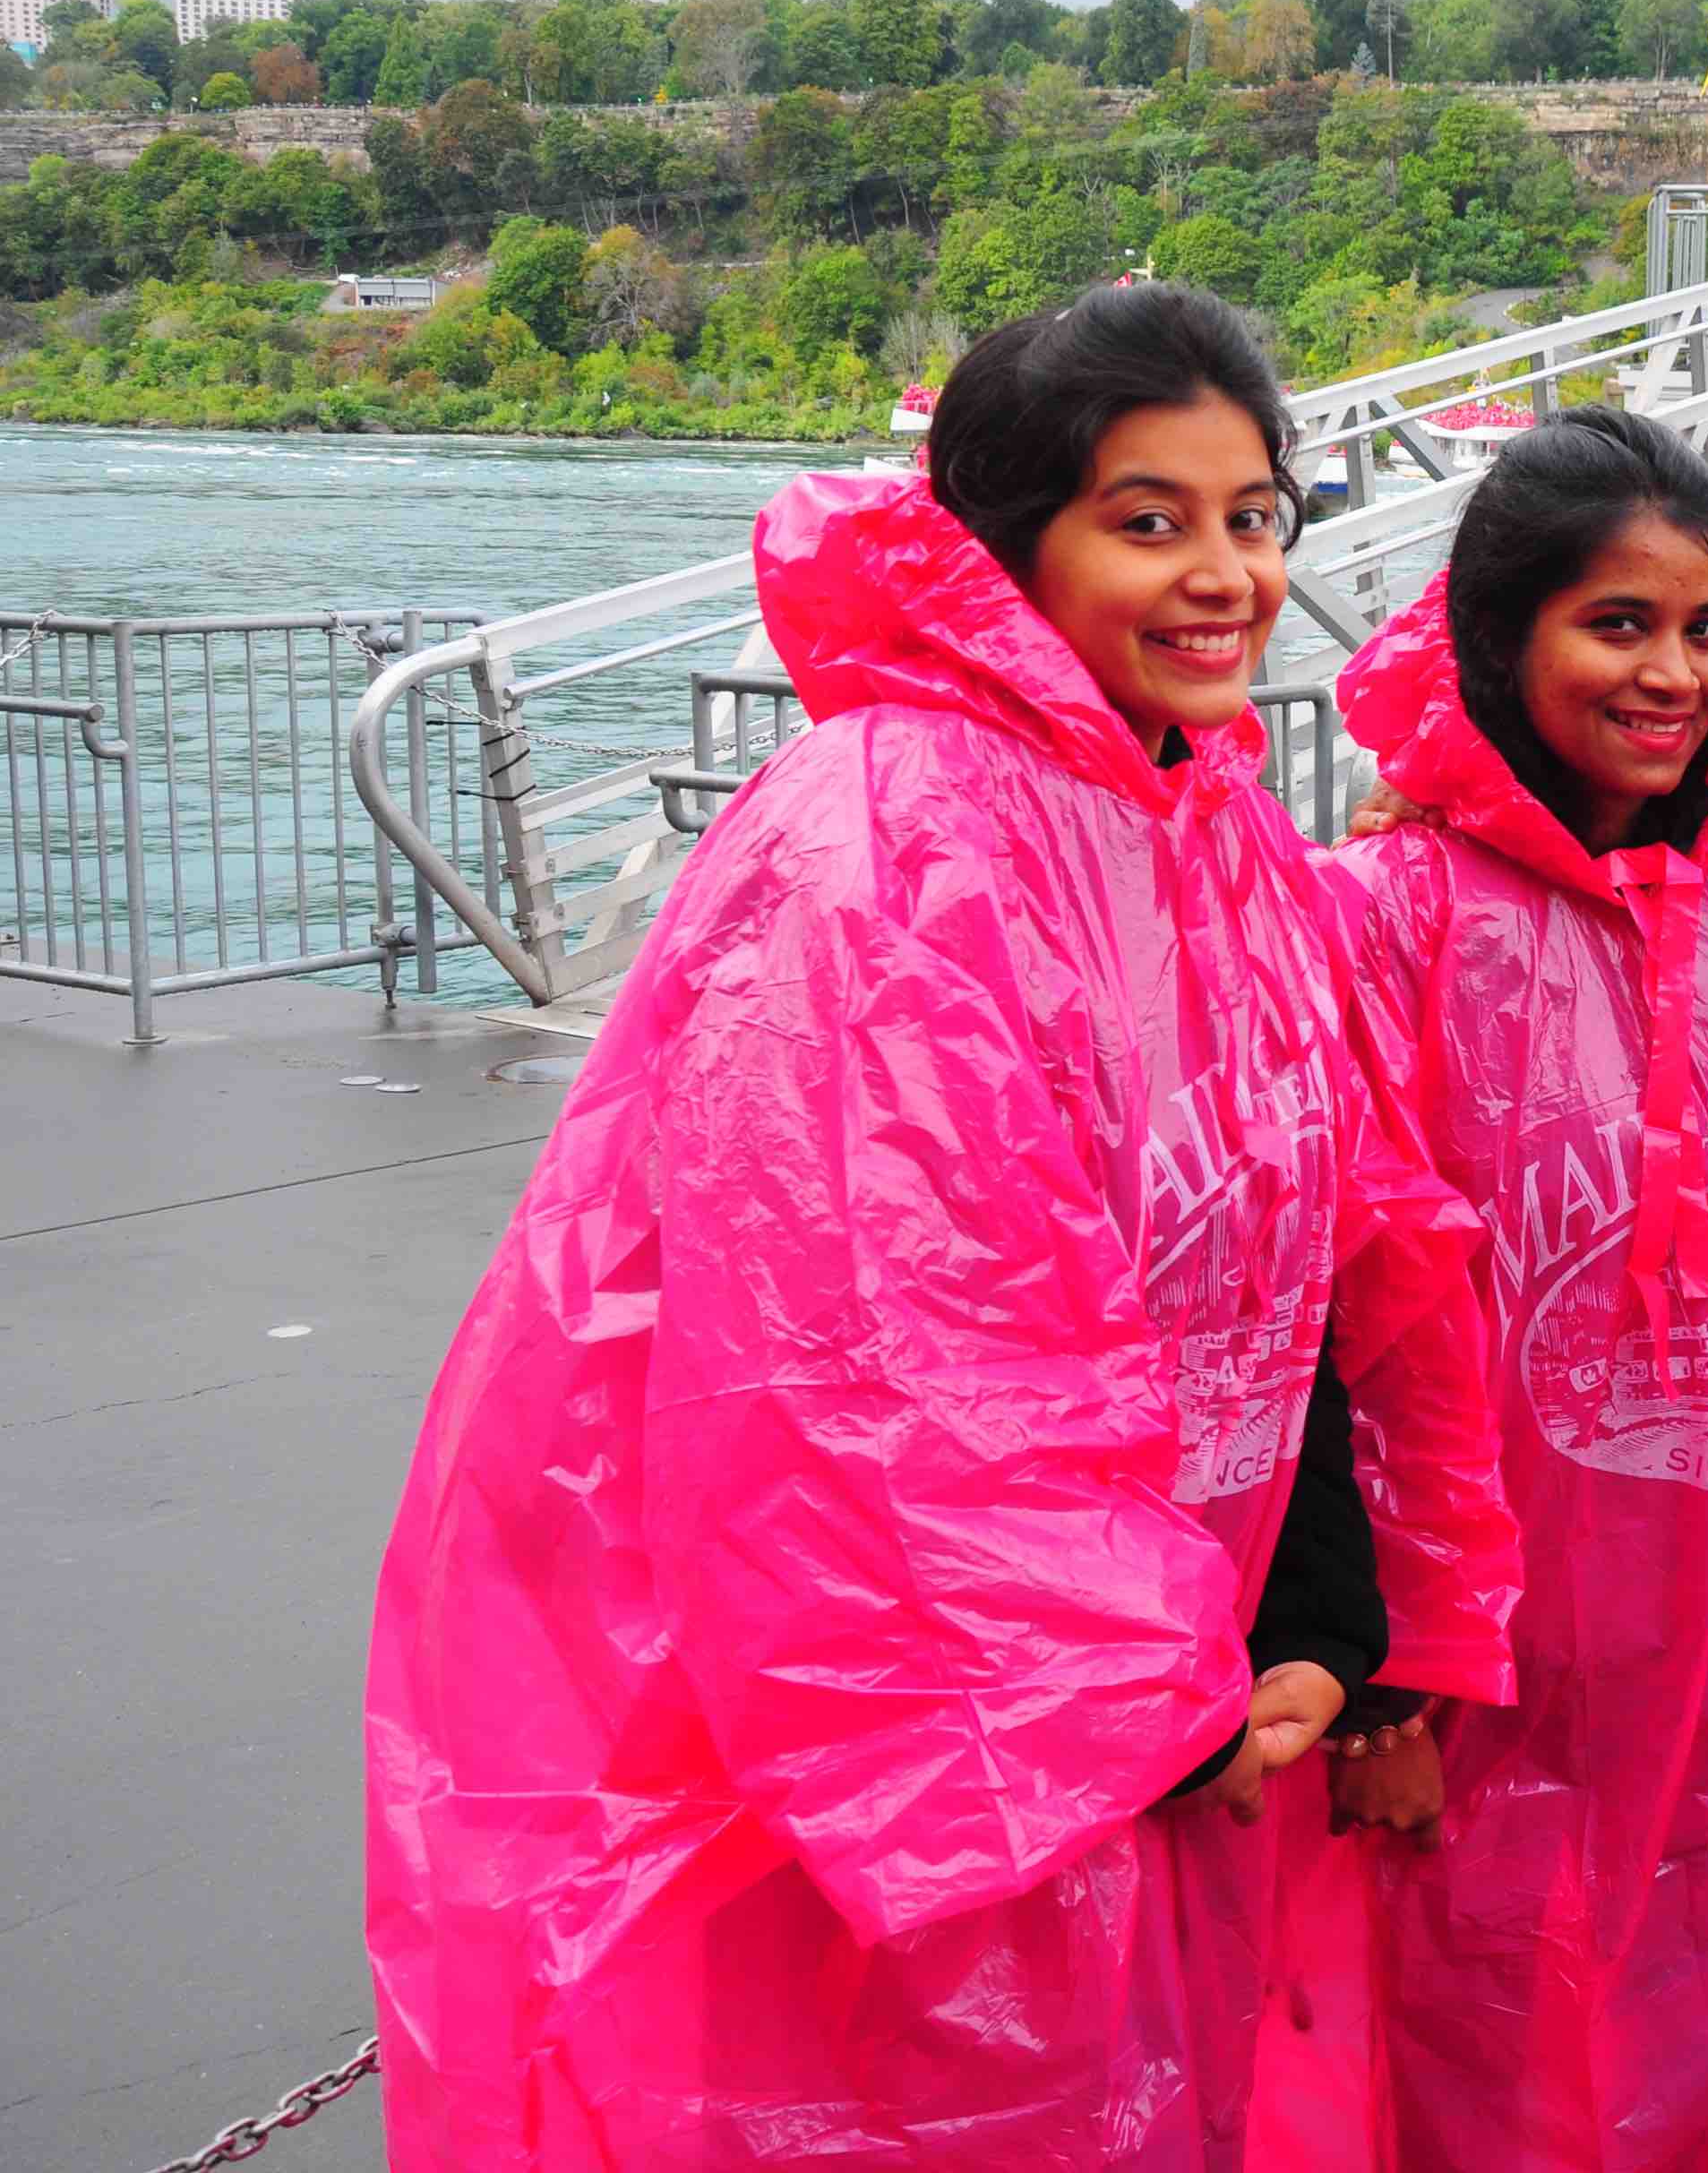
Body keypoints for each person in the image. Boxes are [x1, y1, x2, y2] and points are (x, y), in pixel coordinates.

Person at [358, 283, 1525, 2170]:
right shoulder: (892, 845)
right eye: (1147, 519)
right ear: (1011, 536)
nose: (1221, 570)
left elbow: (1305, 1244)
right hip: (900, 1782)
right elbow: (873, 1376)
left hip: (1137, 1727)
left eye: (1252, 515)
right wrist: (1145, 1696)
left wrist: (1310, 1610)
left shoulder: (1193, 816)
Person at [1250, 410, 1708, 2171]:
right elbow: (1327, 1322)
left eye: (1704, 626)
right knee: (1483, 2079)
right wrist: (1383, 1676)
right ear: (1501, 633)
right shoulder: (1379, 914)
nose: (1675, 671)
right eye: (1615, 624)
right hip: (1481, 1692)